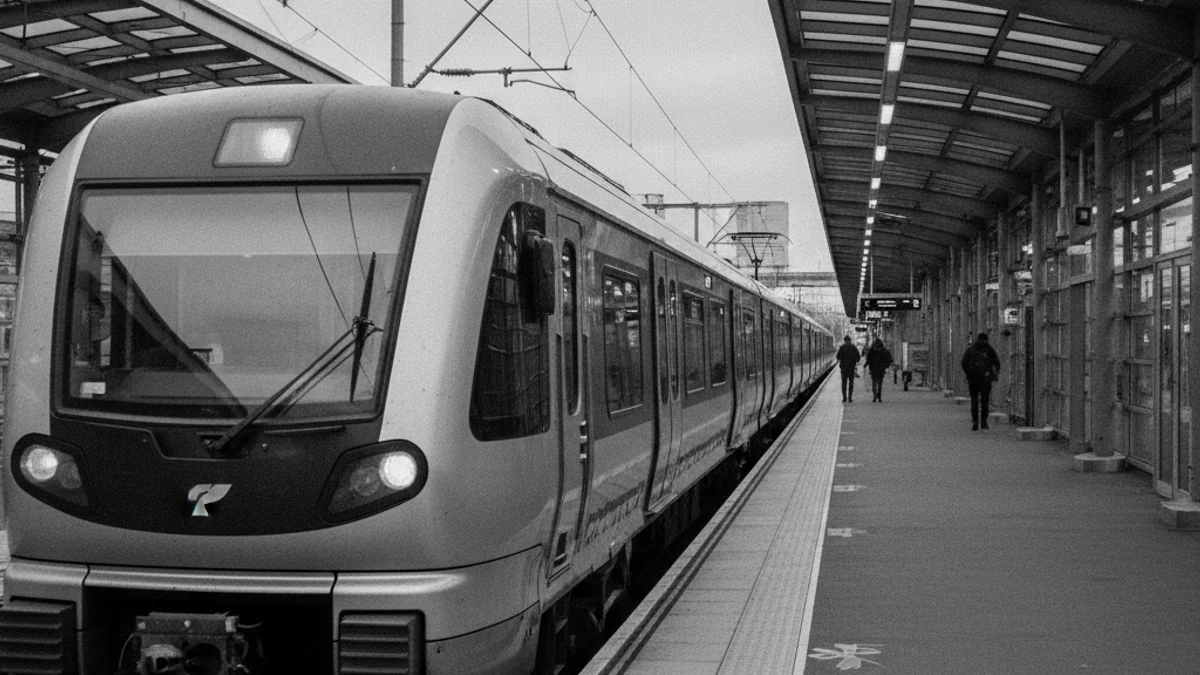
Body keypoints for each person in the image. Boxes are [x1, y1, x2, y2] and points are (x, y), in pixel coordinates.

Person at [961, 332, 1001, 431]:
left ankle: (975, 422)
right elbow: (997, 363)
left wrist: (968, 373)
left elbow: (963, 363)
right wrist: (994, 374)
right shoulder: (989, 349)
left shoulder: (971, 350)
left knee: (974, 400)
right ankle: (984, 422)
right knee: (985, 401)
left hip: (973, 379)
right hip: (985, 379)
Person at [864, 337, 893, 402]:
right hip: (881, 369)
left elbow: (869, 359)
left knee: (874, 382)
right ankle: (879, 397)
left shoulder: (871, 350)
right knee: (880, 383)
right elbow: (890, 360)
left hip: (873, 369)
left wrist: (866, 365)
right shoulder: (885, 351)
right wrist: (886, 366)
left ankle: (874, 396)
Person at [836, 335, 860, 403]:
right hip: (851, 368)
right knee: (851, 383)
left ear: (844, 340)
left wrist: (842, 360)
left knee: (844, 383)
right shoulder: (853, 347)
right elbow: (858, 357)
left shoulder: (842, 347)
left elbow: (837, 357)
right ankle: (850, 398)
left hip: (843, 368)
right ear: (850, 340)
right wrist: (855, 361)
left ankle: (844, 398)